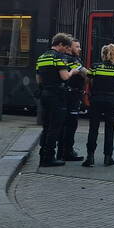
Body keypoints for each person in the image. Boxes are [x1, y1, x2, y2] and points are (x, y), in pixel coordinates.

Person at [35, 33, 81, 167]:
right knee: (55, 128)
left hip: (44, 94)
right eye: (66, 47)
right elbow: (65, 77)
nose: (67, 50)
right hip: (57, 95)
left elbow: (38, 79)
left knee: (46, 126)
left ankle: (42, 155)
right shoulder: (59, 57)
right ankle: (49, 157)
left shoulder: (42, 57)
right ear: (60, 44)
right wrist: (73, 71)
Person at [84, 43, 114, 167]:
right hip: (111, 100)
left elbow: (88, 78)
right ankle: (108, 157)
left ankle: (90, 157)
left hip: (96, 99)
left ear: (103, 54)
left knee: (93, 129)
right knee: (109, 129)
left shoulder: (95, 67)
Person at [57, 38, 88, 162]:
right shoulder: (72, 60)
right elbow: (86, 74)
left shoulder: (69, 59)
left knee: (65, 123)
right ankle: (67, 152)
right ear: (69, 48)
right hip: (72, 95)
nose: (79, 49)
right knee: (70, 124)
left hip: (70, 94)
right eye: (77, 47)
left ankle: (63, 151)